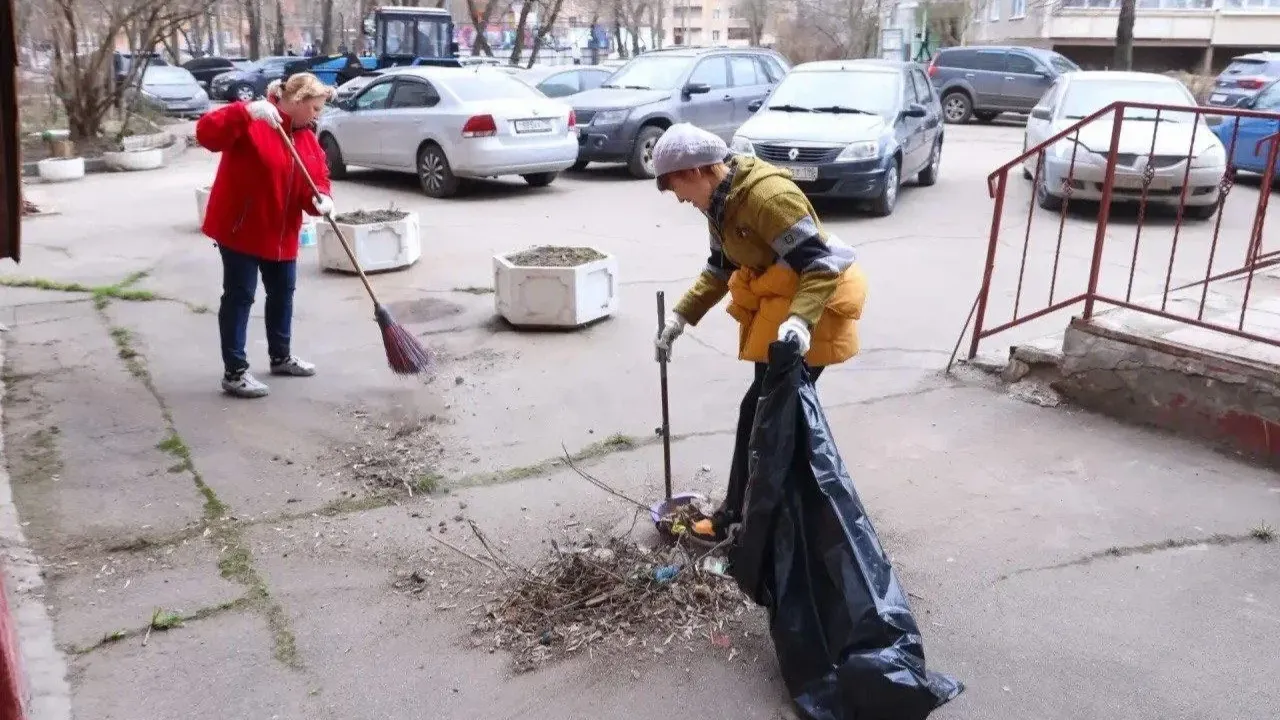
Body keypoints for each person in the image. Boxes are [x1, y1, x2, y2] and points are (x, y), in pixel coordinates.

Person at [651, 123, 868, 537]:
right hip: (782, 305)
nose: (679, 198)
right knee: (772, 416)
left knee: (767, 415)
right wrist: (679, 318)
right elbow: (719, 269)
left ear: (697, 172)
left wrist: (801, 322)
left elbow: (820, 265)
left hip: (814, 306)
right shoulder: (719, 204)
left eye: (677, 186)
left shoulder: (768, 197)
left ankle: (746, 517)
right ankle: (770, 512)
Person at [195, 72, 336, 399]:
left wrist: (322, 199)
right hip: (241, 228)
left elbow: (316, 178)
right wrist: (244, 111)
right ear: (297, 102)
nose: (319, 115)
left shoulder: (306, 137)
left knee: (283, 292)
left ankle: (281, 356)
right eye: (315, 108)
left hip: (281, 231)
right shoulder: (256, 121)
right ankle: (235, 372)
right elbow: (206, 134)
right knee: (240, 295)